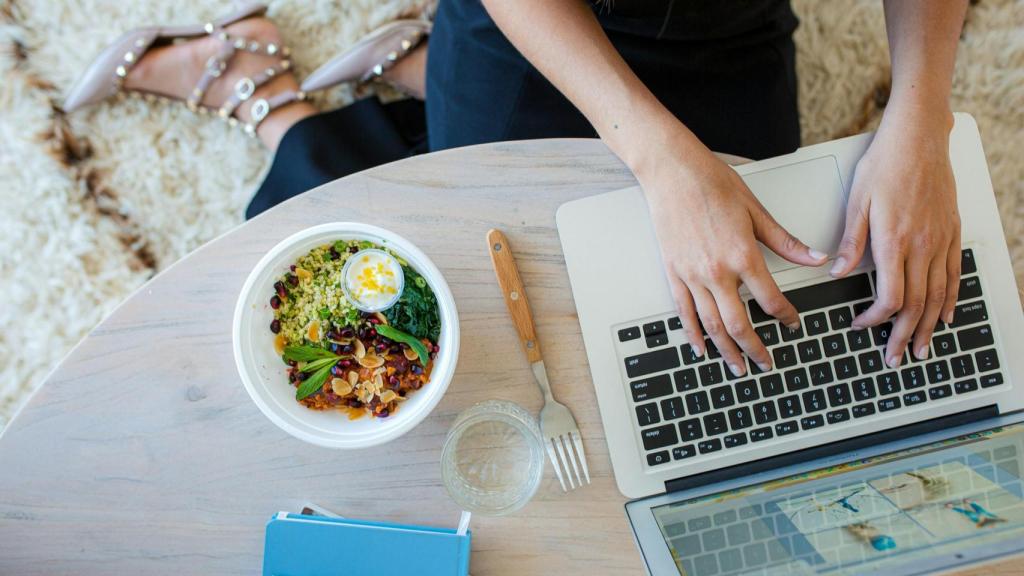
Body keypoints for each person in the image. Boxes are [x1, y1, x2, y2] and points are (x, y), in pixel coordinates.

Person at [65, 1, 968, 373]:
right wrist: (660, 160)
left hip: (731, 35)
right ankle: (266, 98)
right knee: (452, 312)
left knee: (725, 343)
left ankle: (426, 79)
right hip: (540, 17)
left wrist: (920, 125)